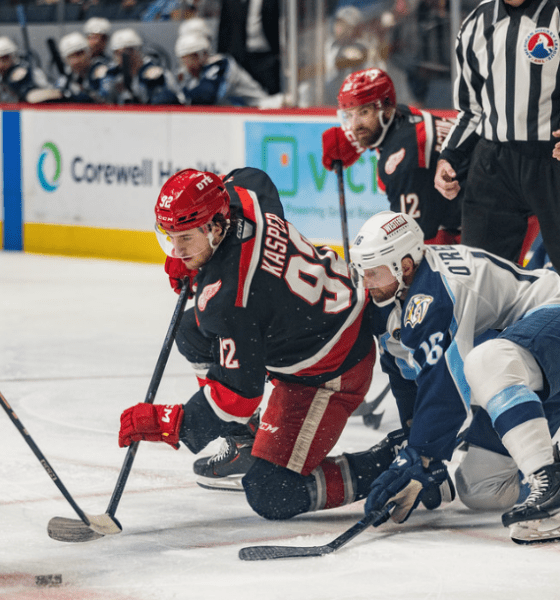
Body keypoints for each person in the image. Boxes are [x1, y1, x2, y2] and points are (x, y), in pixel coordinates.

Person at [116, 167, 452, 520]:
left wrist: (171, 423)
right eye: (169, 237)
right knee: (190, 329)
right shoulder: (242, 197)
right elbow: (255, 177)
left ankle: (394, 461)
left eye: (185, 238)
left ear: (216, 227)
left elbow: (238, 396)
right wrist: (200, 259)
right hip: (321, 312)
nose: (176, 250)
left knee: (270, 492)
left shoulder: (229, 300)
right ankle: (246, 440)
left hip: (330, 372)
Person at [349, 210, 560, 543]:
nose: (365, 283)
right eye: (360, 272)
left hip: (552, 318)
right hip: (529, 368)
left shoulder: (434, 292)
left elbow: (446, 387)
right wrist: (414, 442)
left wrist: (422, 453)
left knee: (484, 361)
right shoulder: (392, 298)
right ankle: (550, 464)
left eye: (372, 273)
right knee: (481, 490)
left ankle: (549, 487)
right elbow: (406, 375)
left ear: (404, 266)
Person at [434, 0, 560, 271]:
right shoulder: (477, 22)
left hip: (554, 159)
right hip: (493, 166)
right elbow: (471, 109)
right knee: (480, 275)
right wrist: (449, 156)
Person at [322, 67, 464, 244]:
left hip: (486, 223)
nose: (354, 125)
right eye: (349, 115)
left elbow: (416, 243)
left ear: (387, 108)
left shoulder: (404, 163)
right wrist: (351, 140)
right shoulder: (404, 116)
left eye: (364, 112)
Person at [174, 31, 271, 107]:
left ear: (199, 55)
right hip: (240, 118)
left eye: (187, 59)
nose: (184, 65)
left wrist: (179, 97)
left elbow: (207, 95)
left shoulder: (221, 64)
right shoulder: (195, 78)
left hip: (260, 111)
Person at [100, 28, 180, 105]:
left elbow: (173, 99)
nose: (121, 57)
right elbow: (104, 99)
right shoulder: (113, 74)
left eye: (128, 51)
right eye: (117, 53)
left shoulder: (158, 74)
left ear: (138, 50)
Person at [216, 0, 281, 95]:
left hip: (266, 56)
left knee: (271, 94)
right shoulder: (231, 2)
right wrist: (221, 57)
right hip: (239, 57)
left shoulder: (273, 2)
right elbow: (224, 28)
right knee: (240, 95)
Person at [55, 32, 108, 103]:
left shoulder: (101, 70)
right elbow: (56, 94)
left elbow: (106, 98)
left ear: (88, 53)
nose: (76, 61)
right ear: (65, 60)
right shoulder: (66, 77)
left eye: (79, 54)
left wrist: (83, 94)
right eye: (71, 57)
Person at [0, 36, 55, 104]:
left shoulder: (30, 72)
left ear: (13, 57)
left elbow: (51, 94)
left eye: (5, 59)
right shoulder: (3, 78)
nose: (1, 64)